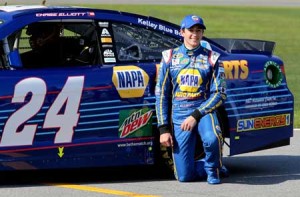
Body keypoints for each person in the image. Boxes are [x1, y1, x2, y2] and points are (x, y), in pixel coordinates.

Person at [155, 14, 227, 184]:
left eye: (199, 31)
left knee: (211, 138)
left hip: (203, 110)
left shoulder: (213, 58)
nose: (195, 34)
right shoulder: (169, 57)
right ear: (182, 32)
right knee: (184, 177)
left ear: (202, 33)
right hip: (179, 114)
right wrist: (163, 129)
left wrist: (196, 115)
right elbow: (161, 95)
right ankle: (211, 166)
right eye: (191, 30)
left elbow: (220, 93)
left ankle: (213, 169)